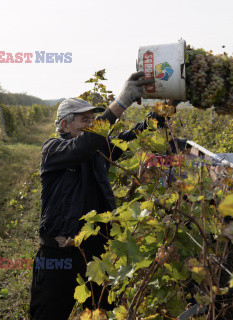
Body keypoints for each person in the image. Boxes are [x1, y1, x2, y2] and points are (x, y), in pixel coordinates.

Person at [29, 71, 156, 319]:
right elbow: (84, 145)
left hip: (95, 252)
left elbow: (125, 139)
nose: (92, 125)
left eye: (93, 119)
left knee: (100, 312)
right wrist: (121, 102)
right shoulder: (53, 150)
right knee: (48, 315)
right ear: (65, 125)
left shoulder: (97, 151)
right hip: (59, 253)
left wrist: (155, 119)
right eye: (85, 120)